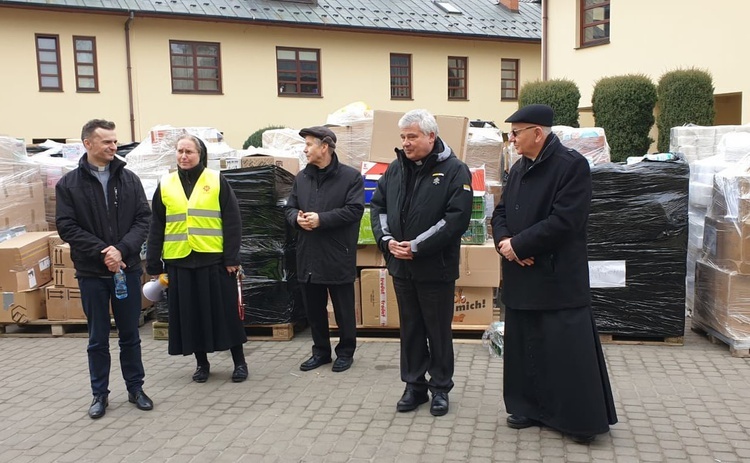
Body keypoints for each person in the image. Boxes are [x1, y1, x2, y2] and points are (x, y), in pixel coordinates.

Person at [491, 104, 617, 444]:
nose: (512, 139)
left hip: (556, 277)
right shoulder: (518, 168)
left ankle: (578, 420)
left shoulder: (571, 166)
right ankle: (528, 407)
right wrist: (505, 242)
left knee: (565, 353)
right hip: (521, 274)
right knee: (526, 348)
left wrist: (521, 246)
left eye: (516, 133)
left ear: (537, 133)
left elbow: (566, 221)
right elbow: (500, 211)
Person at [370, 109, 473, 417]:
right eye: (402, 137)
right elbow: (378, 207)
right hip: (401, 267)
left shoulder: (455, 170)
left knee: (437, 330)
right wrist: (387, 242)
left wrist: (417, 247)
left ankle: (440, 388)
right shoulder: (394, 170)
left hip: (435, 268)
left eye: (411, 136)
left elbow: (456, 219)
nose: (406, 143)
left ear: (431, 136)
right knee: (411, 328)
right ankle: (414, 386)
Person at [56, 119, 153, 419]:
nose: (114, 146)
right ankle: (100, 394)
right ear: (88, 144)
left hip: (127, 269)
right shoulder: (69, 184)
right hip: (92, 274)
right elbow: (66, 226)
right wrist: (104, 252)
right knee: (97, 338)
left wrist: (121, 250)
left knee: (130, 335)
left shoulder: (129, 179)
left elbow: (143, 219)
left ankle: (135, 388)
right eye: (107, 142)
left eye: (114, 141)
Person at [146, 134, 248, 384]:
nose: (183, 156)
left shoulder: (216, 180)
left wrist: (231, 257)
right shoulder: (166, 183)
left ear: (200, 154)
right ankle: (202, 364)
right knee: (190, 316)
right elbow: (156, 225)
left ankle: (239, 362)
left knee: (225, 314)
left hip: (213, 260)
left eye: (189, 151)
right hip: (179, 261)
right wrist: (152, 262)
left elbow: (232, 221)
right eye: (180, 151)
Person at [286, 126, 364, 373]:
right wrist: (294, 218)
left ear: (325, 146)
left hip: (337, 253)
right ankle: (320, 352)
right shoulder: (302, 177)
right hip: (308, 254)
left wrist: (322, 219)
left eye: (309, 144)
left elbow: (355, 210)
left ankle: (346, 352)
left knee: (343, 308)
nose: (305, 149)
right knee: (314, 308)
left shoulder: (350, 177)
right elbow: (289, 207)